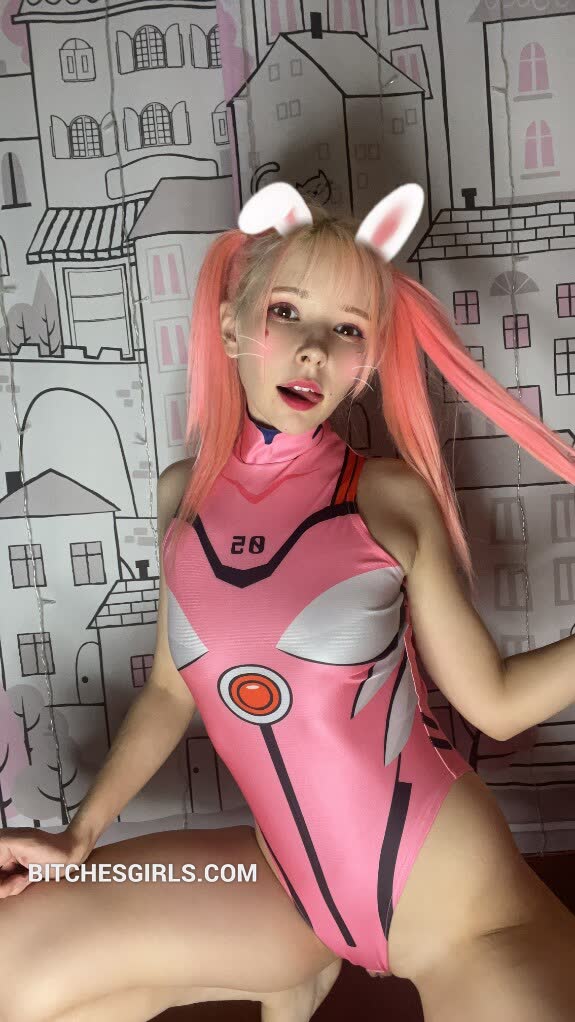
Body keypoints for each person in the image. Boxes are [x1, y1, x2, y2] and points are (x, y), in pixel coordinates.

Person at [1, 181, 575, 1022]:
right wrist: (79, 834)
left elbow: (492, 704)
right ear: (232, 325)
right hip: (282, 888)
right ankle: (291, 976)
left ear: (365, 360)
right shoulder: (182, 495)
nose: (312, 351)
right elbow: (170, 689)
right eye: (286, 312)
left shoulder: (388, 497)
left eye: (347, 329)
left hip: (457, 911)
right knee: (12, 958)